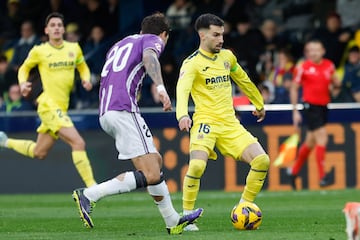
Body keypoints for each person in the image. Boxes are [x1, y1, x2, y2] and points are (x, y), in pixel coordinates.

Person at [71, 13, 203, 235]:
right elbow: (150, 58)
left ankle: (172, 222)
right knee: (151, 173)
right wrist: (161, 88)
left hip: (107, 111)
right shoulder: (152, 40)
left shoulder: (119, 44)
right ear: (163, 35)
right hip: (123, 109)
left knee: (155, 162)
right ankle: (90, 194)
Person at [176, 13, 270, 231]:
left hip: (230, 124)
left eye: (222, 35)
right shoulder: (191, 64)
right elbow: (182, 90)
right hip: (205, 123)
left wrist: (258, 102)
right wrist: (182, 114)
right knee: (197, 165)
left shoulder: (227, 57)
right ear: (202, 35)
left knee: (262, 160)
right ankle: (187, 215)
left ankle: (245, 205)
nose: (221, 39)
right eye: (216, 35)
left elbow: (243, 79)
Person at [0, 12, 97, 188]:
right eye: (52, 25)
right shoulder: (40, 51)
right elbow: (24, 69)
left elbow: (83, 67)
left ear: (63, 29)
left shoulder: (73, 48)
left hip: (61, 108)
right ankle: (93, 187)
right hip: (48, 106)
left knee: (40, 152)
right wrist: (23, 84)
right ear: (46, 30)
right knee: (78, 142)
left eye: (59, 25)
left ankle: (5, 141)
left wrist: (85, 78)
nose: (57, 28)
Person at [288, 39, 340, 189]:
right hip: (310, 107)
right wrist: (295, 110)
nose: (313, 53)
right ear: (307, 53)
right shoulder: (303, 67)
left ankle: (294, 171)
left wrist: (335, 86)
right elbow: (294, 88)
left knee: (310, 142)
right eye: (310, 50)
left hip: (324, 107)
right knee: (322, 137)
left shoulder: (329, 66)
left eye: (316, 49)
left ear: (323, 51)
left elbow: (335, 83)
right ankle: (323, 177)